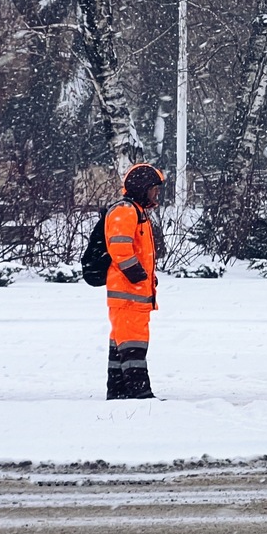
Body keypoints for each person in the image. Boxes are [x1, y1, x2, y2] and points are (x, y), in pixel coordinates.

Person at [105, 163, 165, 400]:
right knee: (133, 346)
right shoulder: (126, 211)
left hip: (134, 296)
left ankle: (119, 392)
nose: (156, 194)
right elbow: (120, 247)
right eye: (154, 189)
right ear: (142, 187)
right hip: (128, 296)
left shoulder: (136, 211)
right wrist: (137, 275)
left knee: (123, 346)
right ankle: (139, 394)